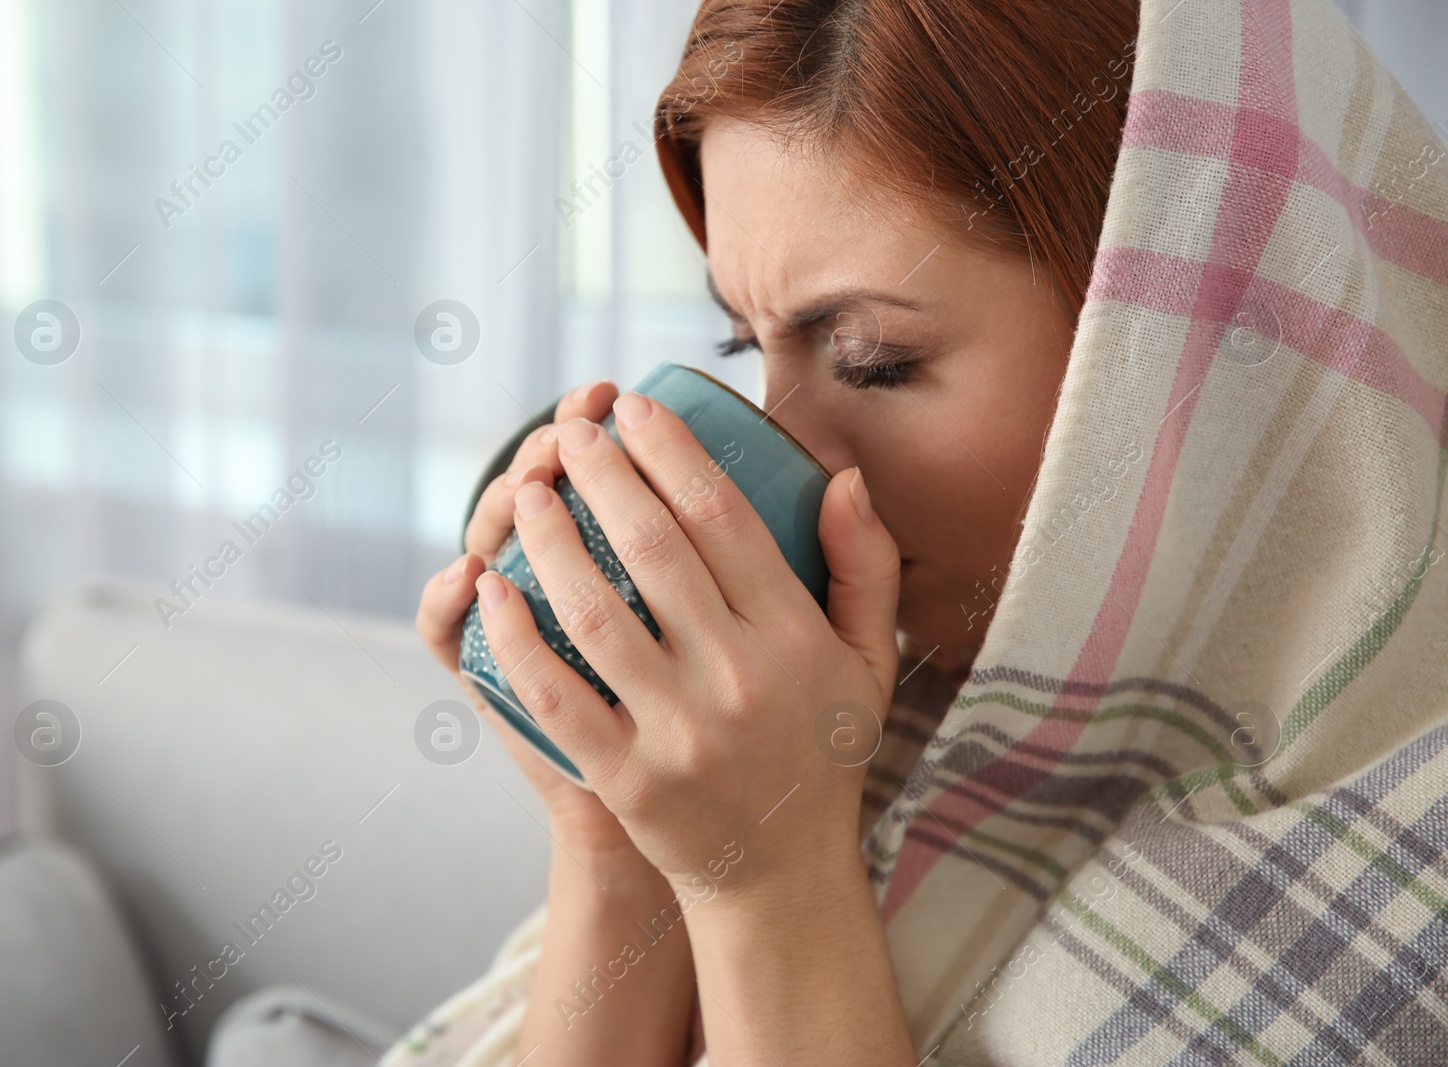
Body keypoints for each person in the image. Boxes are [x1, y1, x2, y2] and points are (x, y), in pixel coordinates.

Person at [400, 0, 1448, 1063]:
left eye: (872, 358)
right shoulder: (854, 705)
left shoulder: (1409, 888)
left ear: (1186, 338)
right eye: (744, 343)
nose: (793, 448)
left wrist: (769, 881)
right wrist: (622, 835)